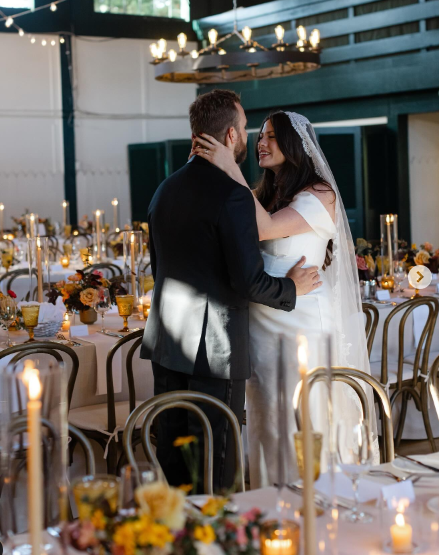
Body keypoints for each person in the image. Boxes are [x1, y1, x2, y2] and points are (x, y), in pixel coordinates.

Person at [140, 91, 321, 492]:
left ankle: (177, 545)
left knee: (174, 461)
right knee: (214, 464)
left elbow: (160, 268)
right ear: (232, 136)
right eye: (244, 129)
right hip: (214, 349)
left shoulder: (163, 190)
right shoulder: (233, 195)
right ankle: (214, 549)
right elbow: (248, 281)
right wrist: (292, 287)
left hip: (167, 345)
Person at [193, 110, 379, 488]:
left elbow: (266, 228)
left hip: (302, 319)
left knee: (304, 410)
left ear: (294, 145)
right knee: (268, 413)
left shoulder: (320, 193)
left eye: (271, 137)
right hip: (262, 319)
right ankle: (271, 497)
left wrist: (230, 165)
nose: (261, 143)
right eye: (259, 136)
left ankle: (320, 496)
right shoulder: (268, 193)